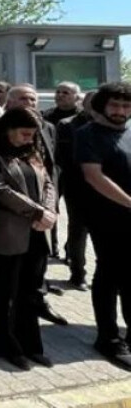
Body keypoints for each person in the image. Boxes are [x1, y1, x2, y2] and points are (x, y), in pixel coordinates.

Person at [0, 106, 57, 371]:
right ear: (8, 130)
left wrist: (48, 210)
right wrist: (36, 211)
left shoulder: (32, 151)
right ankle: (5, 342)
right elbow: (0, 189)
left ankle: (31, 343)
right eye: (24, 134)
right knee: (7, 289)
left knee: (30, 290)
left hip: (37, 229)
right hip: (10, 229)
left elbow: (48, 182)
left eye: (32, 135)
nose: (29, 139)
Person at [75, 82, 131, 371]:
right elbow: (93, 176)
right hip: (107, 217)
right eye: (115, 105)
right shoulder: (88, 134)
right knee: (110, 274)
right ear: (103, 106)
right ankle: (108, 338)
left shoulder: (130, 131)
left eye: (126, 105)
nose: (120, 110)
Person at [6, 84, 68, 324]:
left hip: (44, 204)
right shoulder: (1, 127)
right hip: (14, 208)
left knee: (40, 256)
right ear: (10, 102)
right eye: (24, 99)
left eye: (33, 99)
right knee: (14, 265)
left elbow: (51, 166)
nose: (30, 103)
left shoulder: (48, 127)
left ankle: (38, 299)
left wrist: (50, 204)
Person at [56, 90, 95, 290]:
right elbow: (63, 158)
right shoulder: (67, 125)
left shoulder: (112, 125)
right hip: (77, 185)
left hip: (106, 186)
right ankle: (78, 273)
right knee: (78, 230)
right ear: (84, 104)